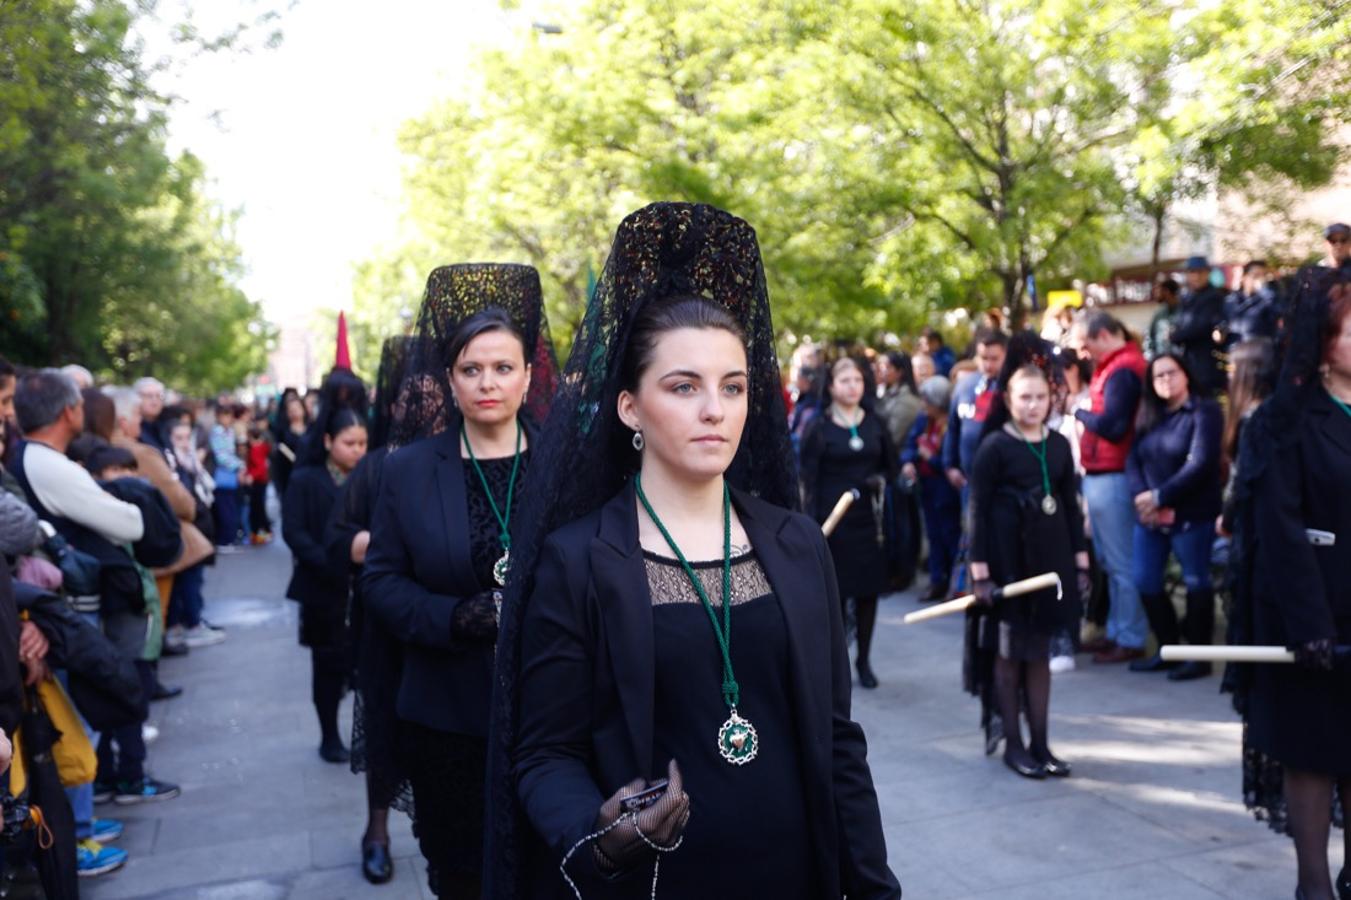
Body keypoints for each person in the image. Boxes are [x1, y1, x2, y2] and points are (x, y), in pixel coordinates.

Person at [490, 202, 900, 900]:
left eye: (733, 387)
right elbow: (544, 755)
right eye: (684, 387)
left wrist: (873, 888)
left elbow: (837, 743)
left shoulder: (796, 542)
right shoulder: (578, 559)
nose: (715, 409)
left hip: (798, 876)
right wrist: (600, 834)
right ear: (629, 408)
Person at [363, 264, 558, 899]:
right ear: (450, 380)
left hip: (550, 713)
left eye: (503, 368)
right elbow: (382, 581)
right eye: (471, 369)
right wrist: (454, 618)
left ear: (529, 375)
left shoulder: (564, 466)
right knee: (462, 877)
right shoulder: (411, 471)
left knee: (547, 870)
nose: (488, 383)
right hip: (449, 718)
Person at [1228, 263, 1350, 900]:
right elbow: (1277, 530)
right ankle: (1313, 887)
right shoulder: (1282, 421)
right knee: (1314, 751)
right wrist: (1313, 630)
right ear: (1322, 338)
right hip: (1310, 621)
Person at [325, 336, 439, 886]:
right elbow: (337, 540)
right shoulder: (374, 468)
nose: (426, 405)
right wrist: (397, 542)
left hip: (453, 625)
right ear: (392, 403)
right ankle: (376, 832)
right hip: (386, 626)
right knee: (386, 731)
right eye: (413, 395)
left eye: (434, 392)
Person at [965, 335, 1087, 779]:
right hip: (1006, 563)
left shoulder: (1058, 445)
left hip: (1050, 559)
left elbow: (1071, 506)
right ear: (1008, 399)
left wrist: (1080, 562)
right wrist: (980, 574)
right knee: (1010, 654)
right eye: (1024, 397)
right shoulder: (994, 447)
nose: (1033, 405)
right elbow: (976, 509)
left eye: (1040, 397)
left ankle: (1041, 743)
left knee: (1040, 655)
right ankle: (1014, 746)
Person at [1124, 353, 1223, 680]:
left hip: (1190, 512)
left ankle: (1198, 657)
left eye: (1171, 373)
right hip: (1150, 516)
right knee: (1145, 579)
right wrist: (1143, 498)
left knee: (1196, 581)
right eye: (1158, 376)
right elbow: (1132, 459)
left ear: (1186, 374)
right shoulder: (1149, 413)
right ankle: (1167, 649)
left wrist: (1161, 497)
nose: (1165, 380)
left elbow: (1201, 463)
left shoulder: (1204, 411)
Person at [801, 356, 899, 689]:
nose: (852, 386)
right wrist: (811, 523)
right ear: (831, 387)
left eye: (857, 380)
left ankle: (865, 660)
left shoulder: (875, 423)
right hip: (833, 520)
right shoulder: (820, 427)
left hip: (868, 521)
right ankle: (837, 662)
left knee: (868, 592)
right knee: (837, 596)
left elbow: (892, 468)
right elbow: (808, 478)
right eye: (844, 381)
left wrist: (878, 481)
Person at [283, 402, 368, 763]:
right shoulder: (306, 479)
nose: (358, 450)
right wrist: (330, 560)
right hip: (322, 586)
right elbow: (294, 531)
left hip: (365, 586)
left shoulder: (371, 476)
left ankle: (364, 733)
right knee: (327, 665)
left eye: (363, 443)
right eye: (350, 443)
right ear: (330, 440)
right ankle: (329, 735)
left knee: (365, 663)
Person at [1073, 312, 1149, 664]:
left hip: (1113, 474)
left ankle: (1129, 635)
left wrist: (1081, 414)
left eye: (1086, 345)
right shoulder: (1117, 367)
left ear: (1102, 335)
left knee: (1121, 563)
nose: (1084, 354)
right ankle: (1120, 631)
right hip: (1104, 472)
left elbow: (1115, 426)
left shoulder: (1123, 370)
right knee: (1113, 561)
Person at [901, 375, 961, 602]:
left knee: (950, 535)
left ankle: (954, 584)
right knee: (934, 535)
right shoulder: (923, 419)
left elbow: (950, 460)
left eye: (927, 400)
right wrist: (909, 460)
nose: (923, 405)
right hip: (926, 485)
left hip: (945, 487)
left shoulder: (951, 422)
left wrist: (931, 457)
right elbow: (911, 444)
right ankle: (937, 581)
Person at [942, 328, 1008, 497]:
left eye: (994, 359)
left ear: (1005, 356)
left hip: (1006, 482)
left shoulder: (1014, 388)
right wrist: (949, 465)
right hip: (969, 482)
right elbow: (953, 427)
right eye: (983, 358)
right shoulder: (965, 385)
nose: (988, 364)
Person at [1170, 256, 1227, 396]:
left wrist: (1175, 336)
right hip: (1188, 361)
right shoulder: (1186, 297)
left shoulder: (1214, 297)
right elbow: (1179, 323)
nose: (1196, 276)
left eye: (1200, 272)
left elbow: (1201, 327)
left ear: (1207, 273)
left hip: (1206, 363)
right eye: (1192, 272)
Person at [208, 402, 246, 548]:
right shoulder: (217, 432)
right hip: (223, 475)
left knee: (231, 508)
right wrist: (239, 465)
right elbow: (221, 456)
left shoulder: (229, 431)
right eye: (224, 415)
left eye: (228, 415)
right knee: (225, 509)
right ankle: (224, 540)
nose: (227, 419)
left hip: (230, 475)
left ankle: (228, 538)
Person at [1223, 260, 1283, 349]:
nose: (1261, 280)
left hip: (1259, 354)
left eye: (1264, 276)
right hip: (1235, 352)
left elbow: (1279, 312)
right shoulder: (1231, 300)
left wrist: (1264, 290)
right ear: (1244, 278)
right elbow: (1224, 321)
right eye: (1256, 276)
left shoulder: (1268, 298)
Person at [873, 351, 921, 448]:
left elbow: (893, 438)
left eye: (888, 367)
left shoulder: (906, 401)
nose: (883, 371)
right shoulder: (888, 392)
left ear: (900, 372)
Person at [270, 389, 309, 504]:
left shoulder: (311, 429)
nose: (294, 412)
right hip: (289, 477)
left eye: (297, 409)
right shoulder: (283, 432)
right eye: (291, 410)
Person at [245, 424, 271, 543]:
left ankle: (258, 533)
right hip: (262, 481)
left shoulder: (255, 450)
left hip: (257, 482)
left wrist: (251, 475)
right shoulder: (263, 447)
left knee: (256, 509)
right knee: (259, 507)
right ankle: (263, 531)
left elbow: (259, 467)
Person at [1144, 278, 1180, 360]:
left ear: (1166, 291)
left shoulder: (1184, 311)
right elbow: (1151, 337)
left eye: (1158, 291)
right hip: (1162, 360)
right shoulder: (1159, 313)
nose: (1155, 294)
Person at [134, 377, 167, 450]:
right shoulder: (133, 430)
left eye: (159, 396)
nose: (155, 402)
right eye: (149, 396)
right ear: (136, 398)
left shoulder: (167, 426)